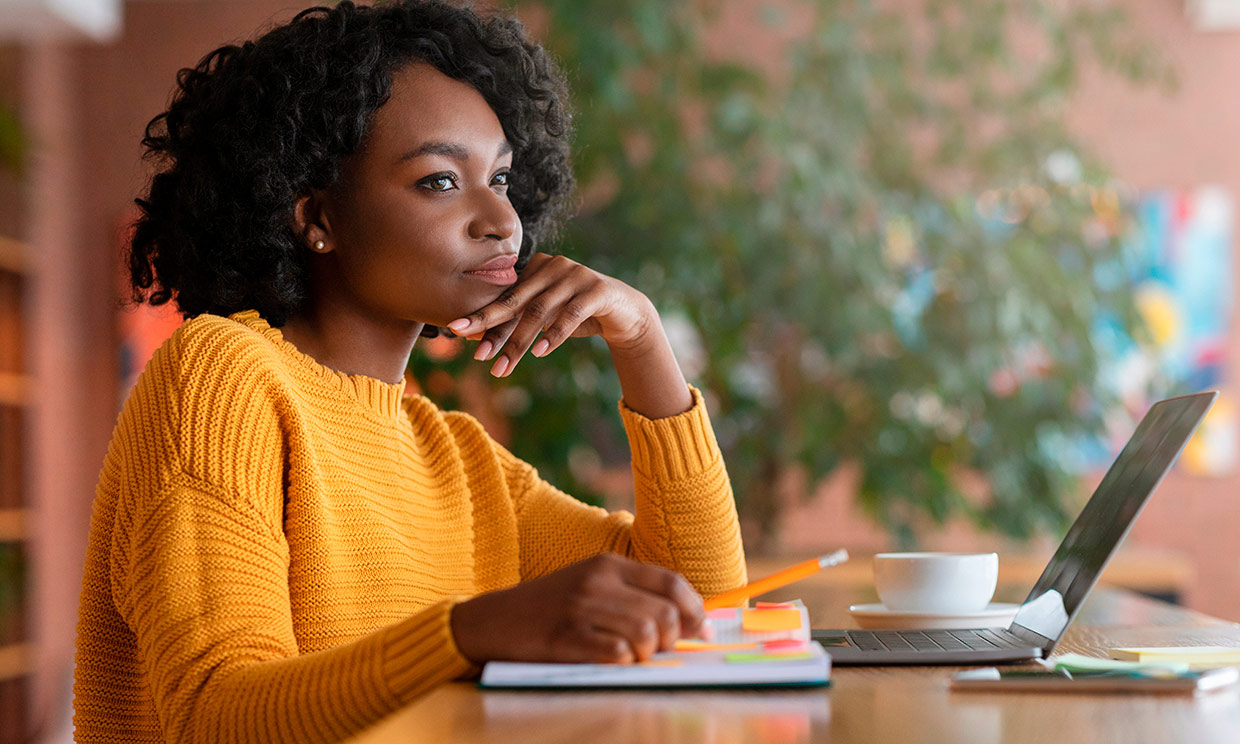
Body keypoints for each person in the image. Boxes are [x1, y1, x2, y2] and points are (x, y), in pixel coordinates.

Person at [72, 2, 747, 742]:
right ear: (317, 217)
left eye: (503, 177)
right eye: (438, 181)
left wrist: (642, 339)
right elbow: (214, 713)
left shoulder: (451, 455)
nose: (503, 220)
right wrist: (467, 634)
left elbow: (703, 604)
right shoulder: (222, 377)